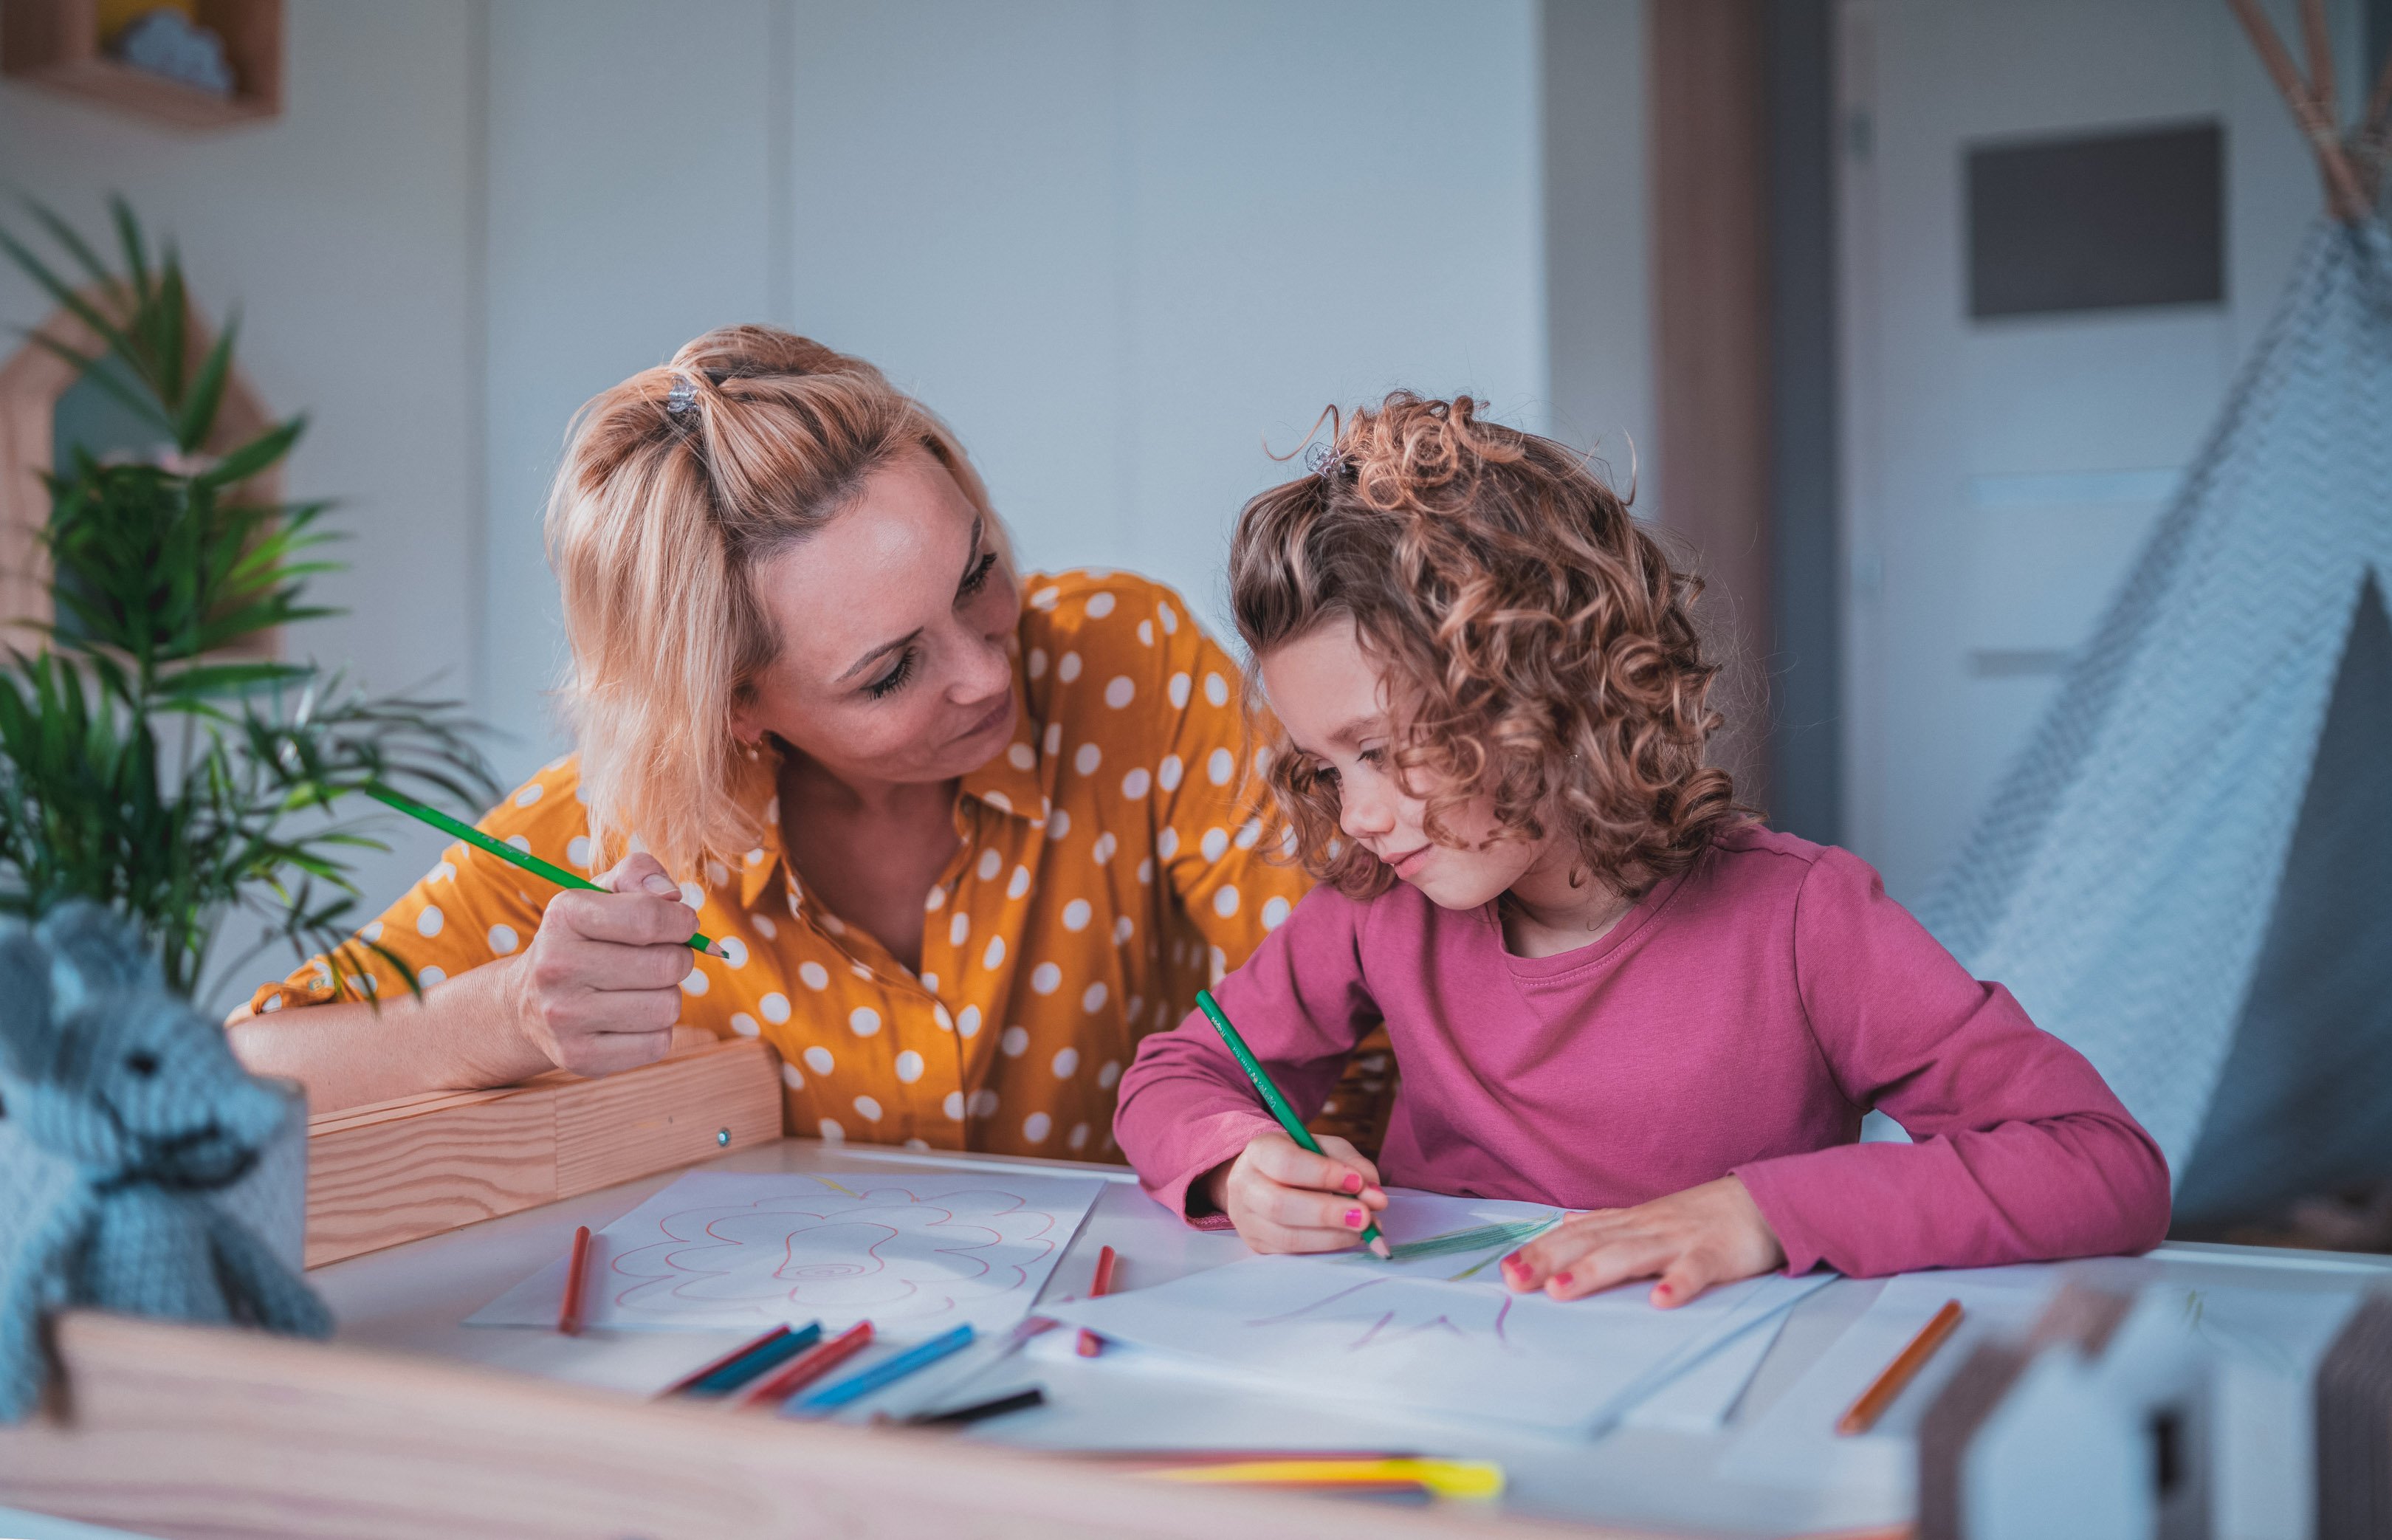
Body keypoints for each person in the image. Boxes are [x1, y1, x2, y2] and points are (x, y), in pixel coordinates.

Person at [1113, 392, 2171, 1304]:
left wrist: (1759, 1210)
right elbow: (1175, 1074)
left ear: (1546, 685)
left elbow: (2103, 1165)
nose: (1354, 815)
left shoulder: (1805, 919)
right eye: (1328, 766)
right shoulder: (1376, 904)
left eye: (1382, 750)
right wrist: (1234, 1163)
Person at [228, 326, 1382, 1160]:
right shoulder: (623, 824)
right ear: (735, 707)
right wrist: (506, 1014)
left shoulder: (1126, 666)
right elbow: (249, 1069)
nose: (990, 670)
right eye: (889, 672)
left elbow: (1361, 1010)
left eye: (978, 572)